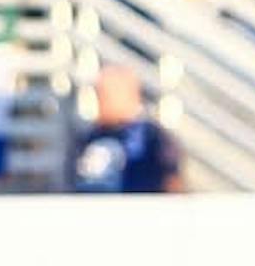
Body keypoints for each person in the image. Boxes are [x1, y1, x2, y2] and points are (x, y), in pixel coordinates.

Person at [75, 65, 184, 193]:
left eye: (110, 93)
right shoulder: (90, 136)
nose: (102, 100)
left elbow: (172, 181)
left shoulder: (151, 136)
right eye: (100, 93)